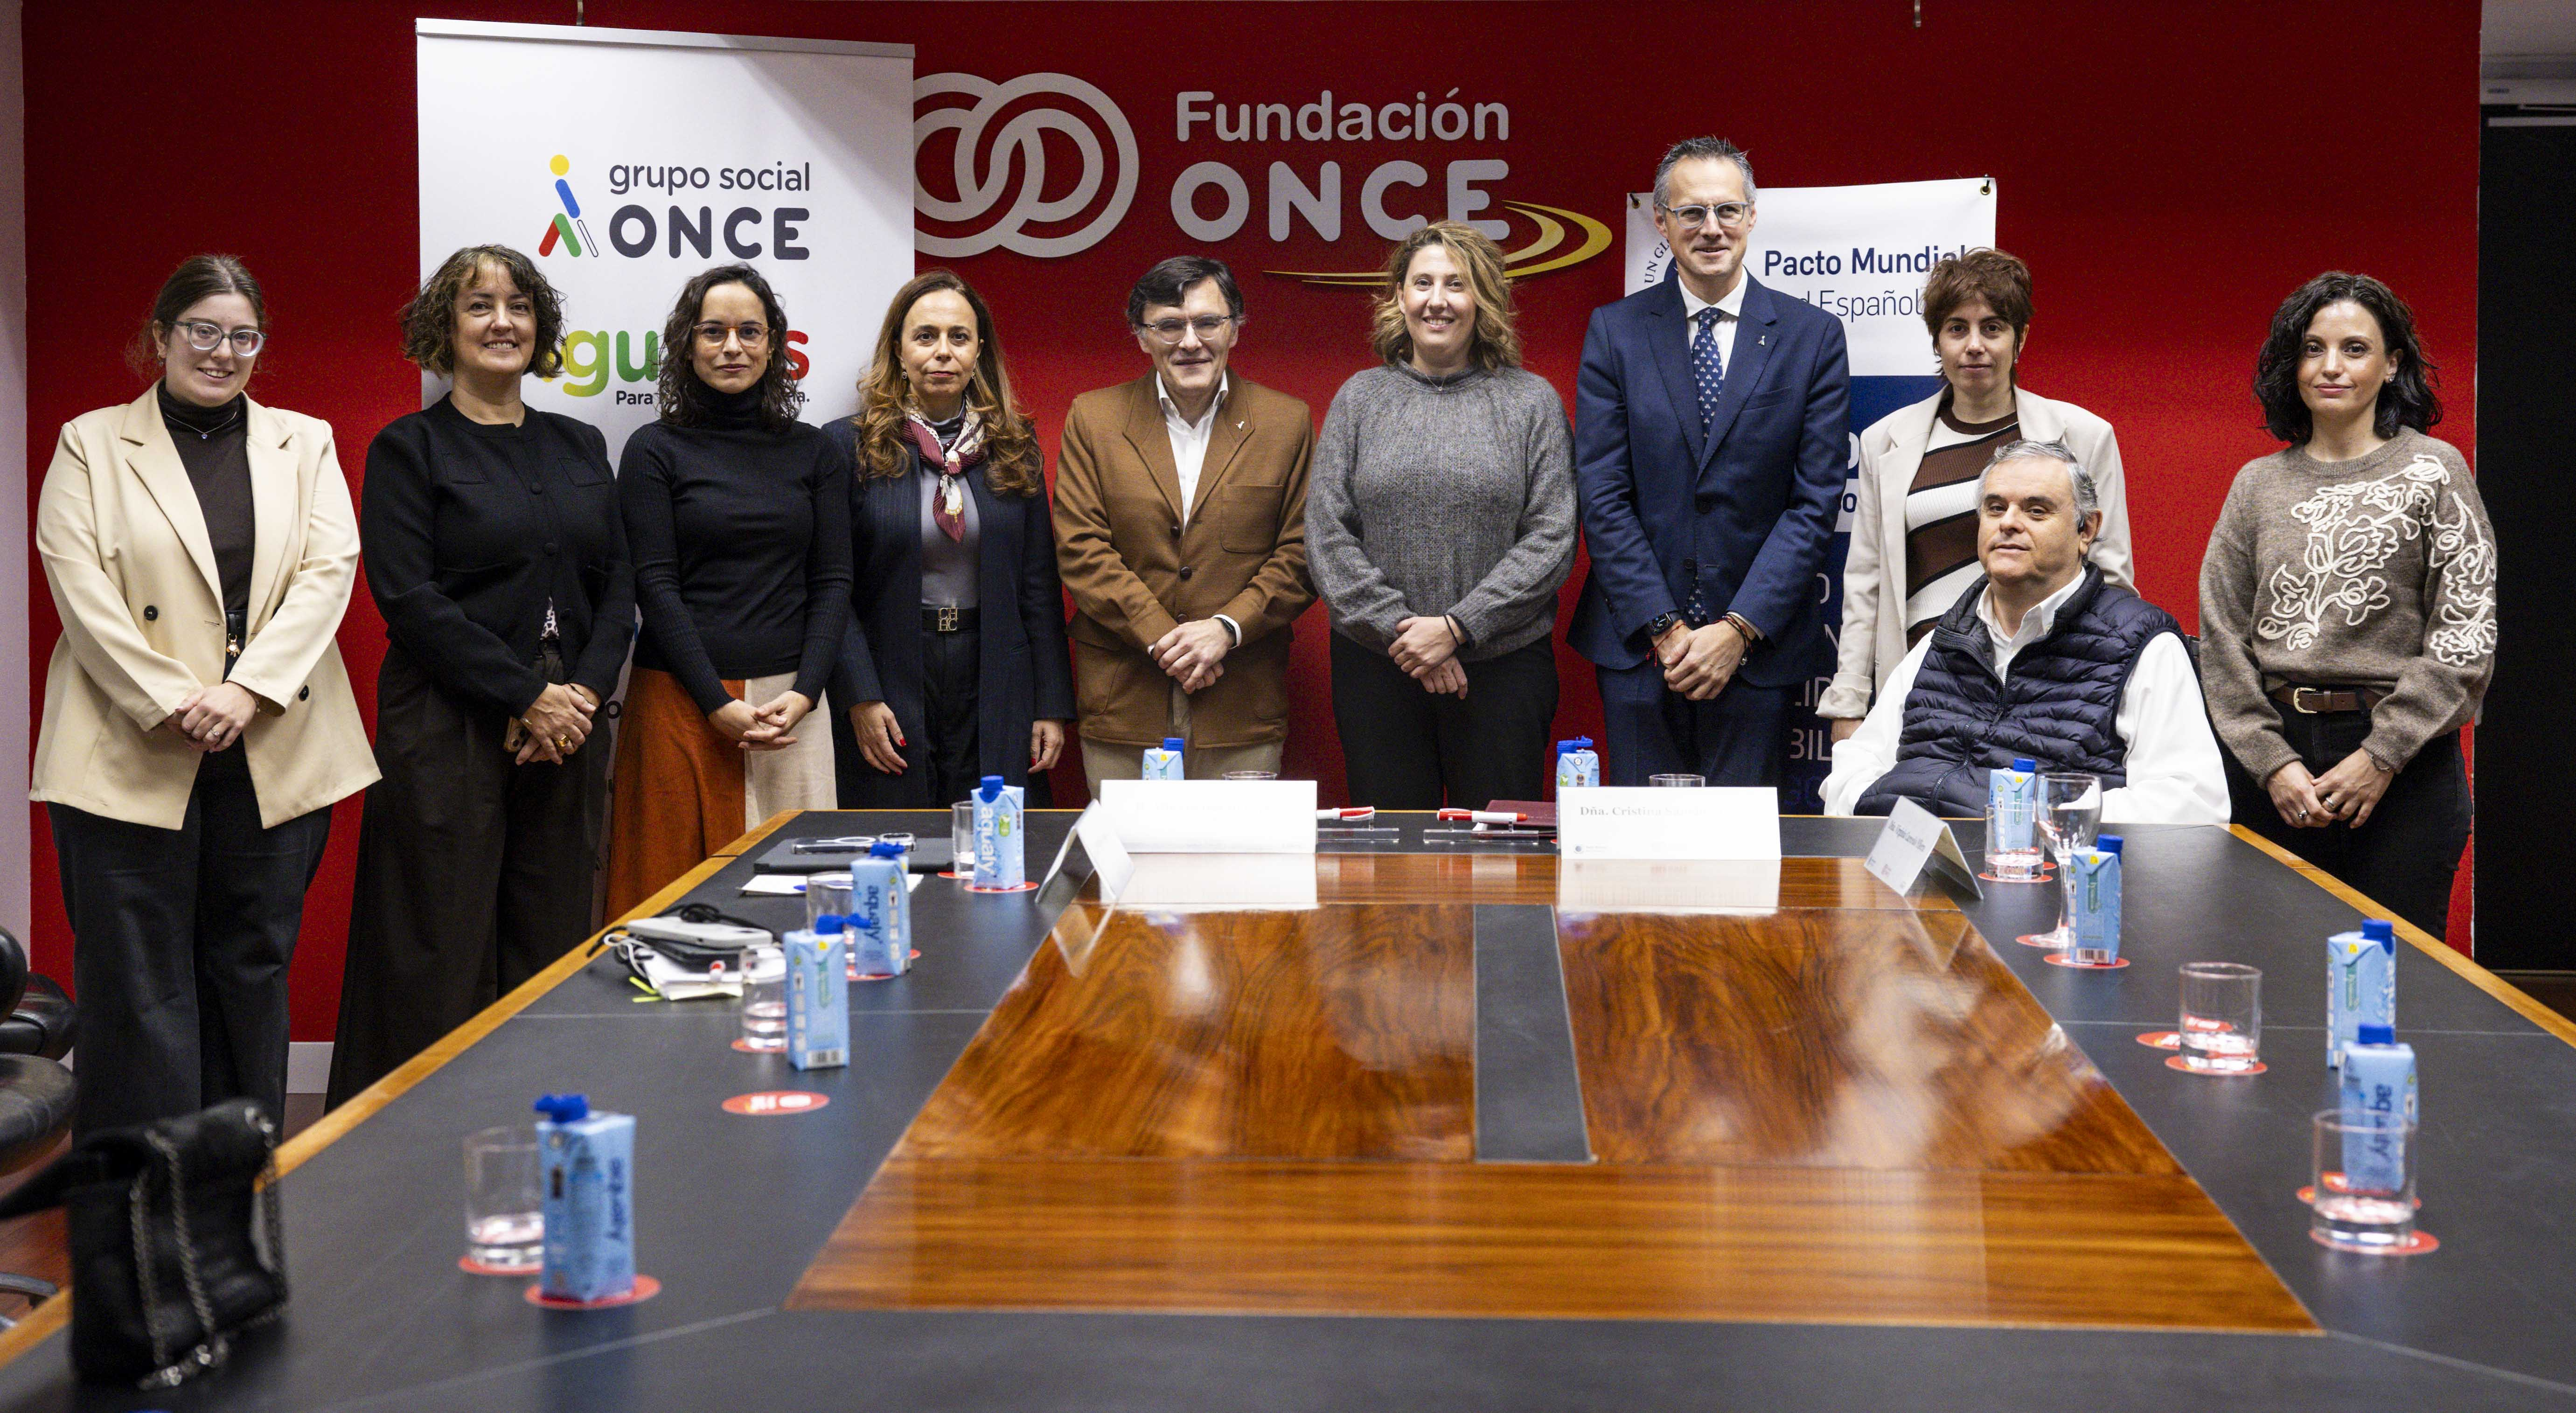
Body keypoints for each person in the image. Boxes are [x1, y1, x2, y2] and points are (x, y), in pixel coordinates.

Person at [32, 255, 376, 1135]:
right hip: (131, 741)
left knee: (249, 970)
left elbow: (328, 574)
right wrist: (176, 700)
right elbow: (78, 587)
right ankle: (142, 1189)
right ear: (161, 337)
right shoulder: (90, 442)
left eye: (243, 337)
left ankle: (236, 1177)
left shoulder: (305, 442)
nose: (222, 352)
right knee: (135, 982)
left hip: (270, 741)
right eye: (203, 331)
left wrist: (248, 689)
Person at [326, 245, 636, 1108]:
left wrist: (579, 695)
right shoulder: (409, 448)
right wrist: (524, 694)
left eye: (519, 305)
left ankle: (541, 1113)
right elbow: (407, 597)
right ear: (445, 329)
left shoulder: (580, 444)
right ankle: (419, 1128)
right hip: (446, 722)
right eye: (479, 306)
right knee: (439, 938)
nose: (503, 321)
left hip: (568, 727)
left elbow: (620, 584)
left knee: (552, 931)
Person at [2198, 272, 2493, 940]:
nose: (2330, 366)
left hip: (2404, 768)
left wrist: (2381, 754)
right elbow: (2220, 635)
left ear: (2391, 364)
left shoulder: (2435, 470)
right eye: (2313, 348)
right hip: (2272, 767)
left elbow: (2465, 632)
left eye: (2354, 349)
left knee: (2393, 975)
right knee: (2278, 972)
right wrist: (2271, 762)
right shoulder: (2256, 484)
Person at [1571, 136, 1850, 787]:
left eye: (1726, 210)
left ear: (1751, 216)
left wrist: (1737, 630)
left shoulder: (1811, 338)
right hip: (1641, 650)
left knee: (1740, 847)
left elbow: (1813, 502)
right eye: (1691, 212)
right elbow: (1603, 494)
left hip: (1755, 653)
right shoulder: (1614, 332)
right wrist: (1665, 628)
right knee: (1639, 845)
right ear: (1660, 221)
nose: (1710, 228)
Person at [1307, 221, 1576, 809]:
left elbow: (1551, 537)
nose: (1437, 300)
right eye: (1422, 282)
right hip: (1378, 669)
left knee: (1500, 851)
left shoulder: (1531, 402)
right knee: (1393, 850)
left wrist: (1456, 628)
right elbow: (1327, 534)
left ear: (1483, 298)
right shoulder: (1359, 399)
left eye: (1456, 284)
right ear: (1399, 296)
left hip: (1502, 671)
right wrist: (1406, 634)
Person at [609, 264, 850, 916]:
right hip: (680, 704)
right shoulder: (653, 449)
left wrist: (806, 692)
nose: (732, 347)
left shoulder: (814, 451)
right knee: (667, 915)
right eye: (713, 331)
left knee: (800, 914)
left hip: (792, 710)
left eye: (749, 331)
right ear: (687, 345)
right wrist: (716, 701)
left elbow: (833, 581)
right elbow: (654, 583)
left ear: (773, 345)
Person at [1818, 248, 2134, 740]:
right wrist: (1849, 703)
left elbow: (2110, 581)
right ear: (1936, 341)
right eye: (1956, 328)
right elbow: (1865, 585)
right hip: (1922, 690)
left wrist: (2104, 694)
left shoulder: (2083, 436)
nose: (1974, 346)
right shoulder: (1885, 441)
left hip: (2048, 691)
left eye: (1992, 328)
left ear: (2019, 338)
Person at [1822, 441, 2227, 823]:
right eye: (1996, 508)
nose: (2009, 523)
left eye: (2036, 511)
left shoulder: (2145, 647)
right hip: (1909, 857)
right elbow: (1855, 766)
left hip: (2044, 867)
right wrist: (1881, 808)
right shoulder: (1942, 640)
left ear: (2086, 530)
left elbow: (2193, 803)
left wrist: (2033, 821)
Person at [1055, 257, 1316, 787]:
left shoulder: (1286, 423)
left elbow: (1302, 551)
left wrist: (1225, 629)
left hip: (1239, 699)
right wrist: (1161, 637)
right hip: (1124, 697)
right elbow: (1081, 548)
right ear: (1141, 336)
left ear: (1235, 329)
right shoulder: (1094, 419)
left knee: (1236, 845)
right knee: (1127, 843)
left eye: (1208, 322)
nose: (1190, 342)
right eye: (1169, 325)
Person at [829, 271, 1075, 806]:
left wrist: (1050, 703)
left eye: (958, 337)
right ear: (898, 350)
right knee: (900, 830)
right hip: (890, 672)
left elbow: (1038, 586)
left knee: (994, 832)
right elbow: (832, 589)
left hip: (995, 673)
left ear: (978, 351)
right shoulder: (848, 445)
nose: (942, 351)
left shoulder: (1014, 444)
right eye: (925, 336)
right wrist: (858, 695)